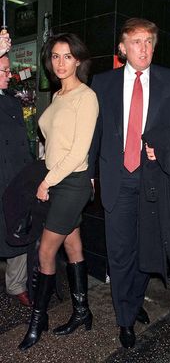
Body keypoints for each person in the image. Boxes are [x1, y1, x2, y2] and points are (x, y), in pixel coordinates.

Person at [89, 18, 170, 349]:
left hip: (153, 180)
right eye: (136, 42)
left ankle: (132, 300)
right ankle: (124, 318)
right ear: (122, 48)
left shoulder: (169, 79)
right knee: (119, 253)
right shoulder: (102, 82)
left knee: (147, 250)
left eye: (148, 42)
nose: (143, 48)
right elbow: (95, 131)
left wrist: (163, 149)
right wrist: (89, 173)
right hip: (117, 178)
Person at [18, 33, 99, 351]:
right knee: (73, 245)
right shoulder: (57, 96)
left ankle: (38, 321)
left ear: (78, 59)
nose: (61, 62)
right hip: (56, 178)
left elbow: (79, 151)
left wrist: (46, 182)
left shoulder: (86, 96)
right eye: (55, 56)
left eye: (67, 56)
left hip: (71, 183)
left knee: (45, 252)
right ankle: (83, 311)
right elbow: (53, 144)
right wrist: (43, 170)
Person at [0, 38, 33, 307]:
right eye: (2, 70)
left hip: (15, 178)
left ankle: (16, 284)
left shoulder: (12, 101)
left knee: (17, 231)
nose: (8, 75)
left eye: (9, 70)